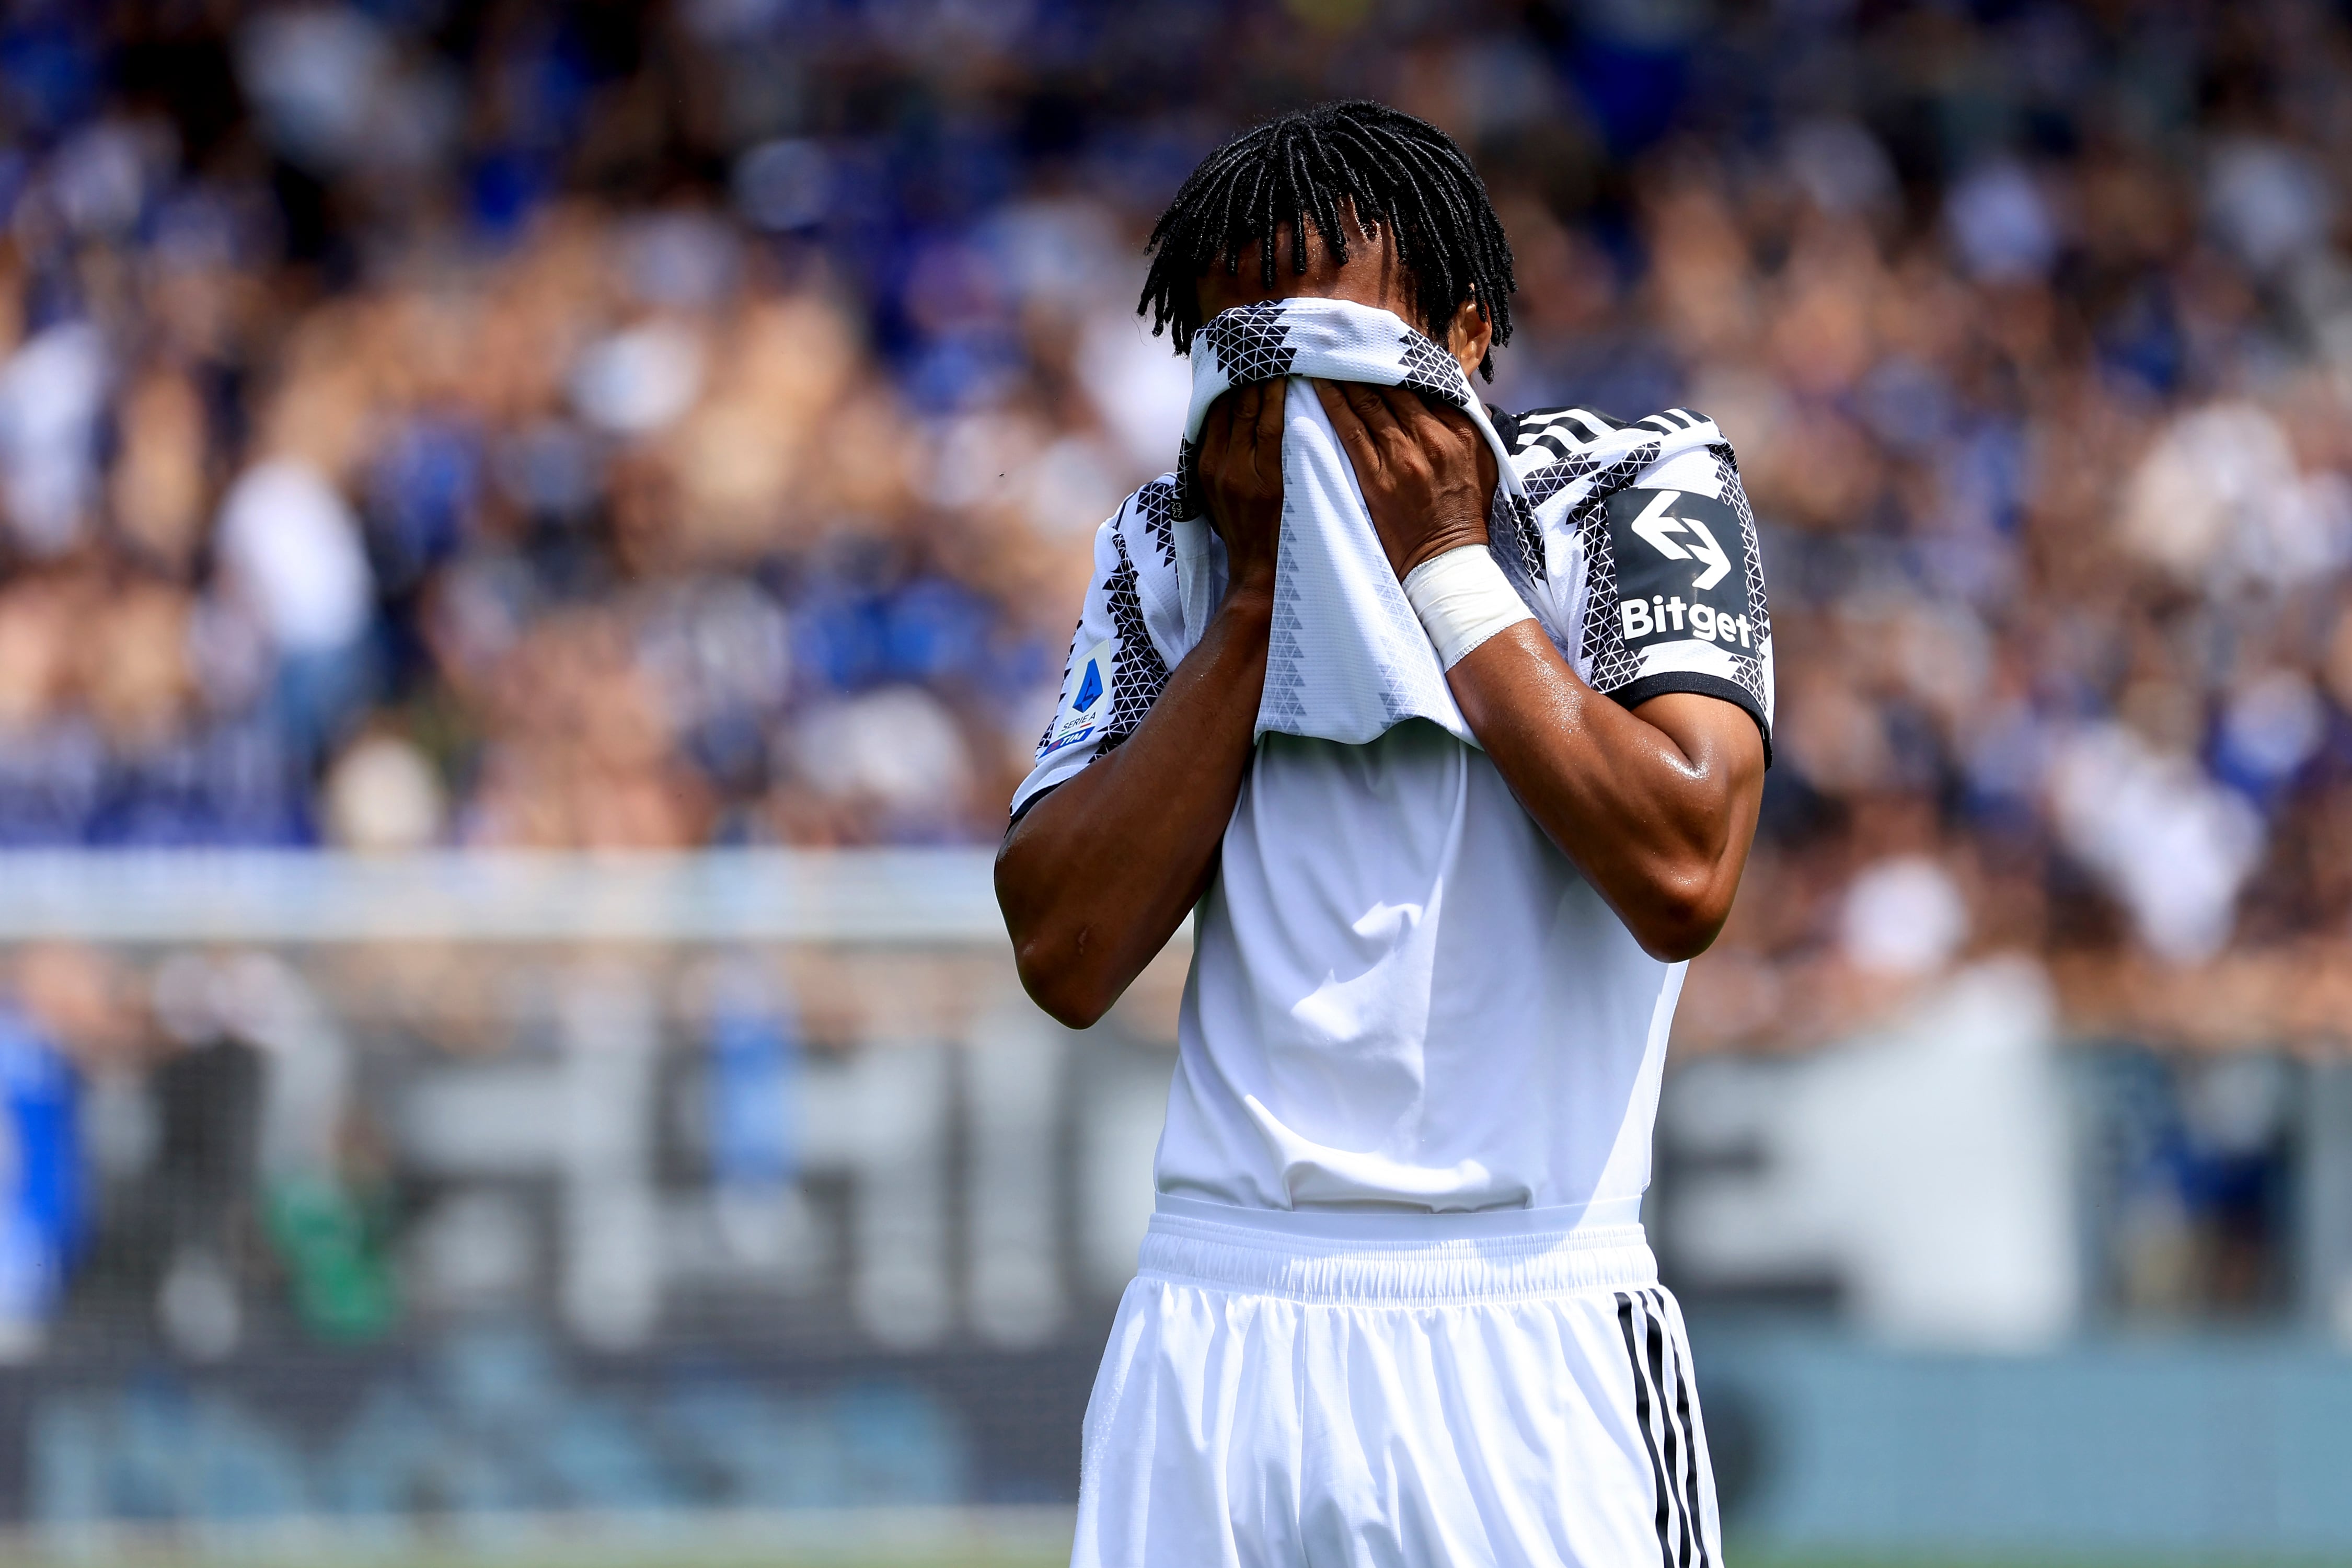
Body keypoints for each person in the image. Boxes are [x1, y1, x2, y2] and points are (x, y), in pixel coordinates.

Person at [997, 99, 1769, 1568]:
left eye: (1339, 351)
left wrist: (1444, 565)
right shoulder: (1170, 545)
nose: (1293, 404)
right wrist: (1255, 600)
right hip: (1216, 1327)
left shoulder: (1625, 487)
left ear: (1465, 333)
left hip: (1527, 1318)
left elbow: (1684, 866)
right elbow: (1065, 952)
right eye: (1246, 360)